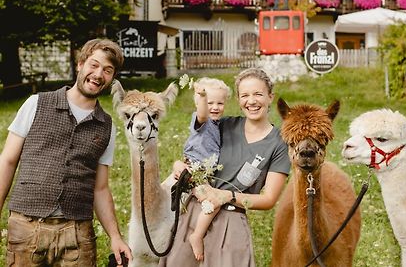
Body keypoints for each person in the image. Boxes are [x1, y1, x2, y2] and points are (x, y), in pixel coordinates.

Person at [0, 38, 132, 266]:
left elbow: (100, 188)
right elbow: (8, 161)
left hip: (77, 235)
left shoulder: (106, 125)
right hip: (26, 228)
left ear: (112, 78)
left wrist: (116, 237)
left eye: (107, 70)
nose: (99, 74)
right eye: (94, 64)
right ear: (80, 64)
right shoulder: (36, 103)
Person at [160, 67, 291, 267]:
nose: (252, 101)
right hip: (195, 213)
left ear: (270, 97)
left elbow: (268, 200)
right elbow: (198, 149)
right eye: (245, 95)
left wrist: (227, 196)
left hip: (231, 221)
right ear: (238, 100)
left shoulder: (279, 143)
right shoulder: (223, 125)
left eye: (258, 94)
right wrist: (179, 164)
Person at [171, 77, 232, 262]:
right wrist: (203, 96)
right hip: (194, 170)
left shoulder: (217, 125)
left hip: (203, 172)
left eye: (220, 103)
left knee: (214, 197)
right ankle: (196, 235)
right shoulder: (202, 120)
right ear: (198, 103)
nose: (214, 106)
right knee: (214, 200)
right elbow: (203, 113)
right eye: (209, 102)